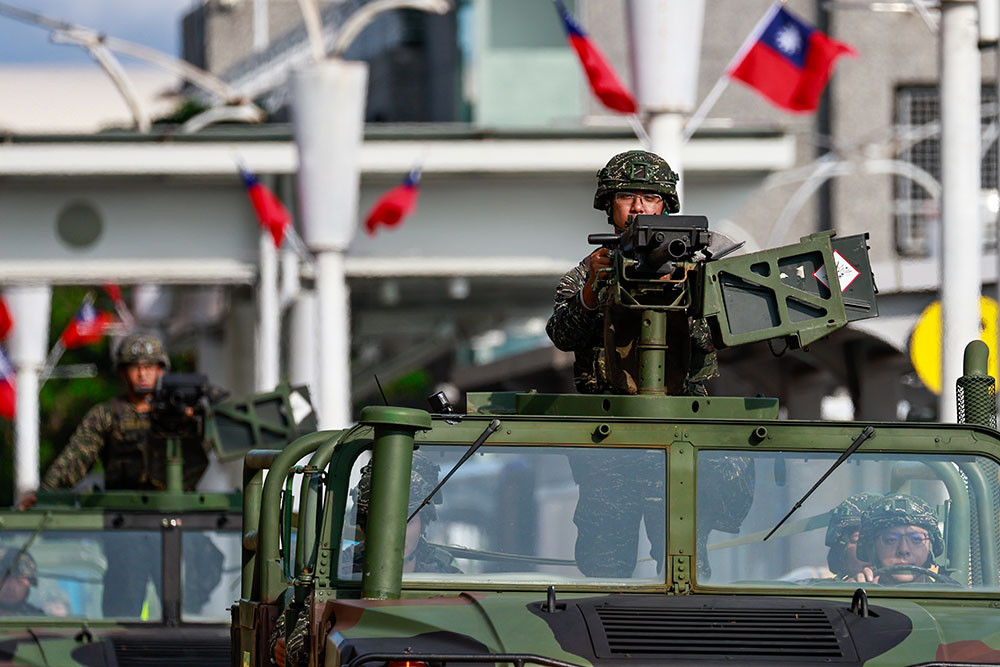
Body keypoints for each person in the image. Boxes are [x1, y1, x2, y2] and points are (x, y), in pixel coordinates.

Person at [545, 149, 717, 396]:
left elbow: (713, 340)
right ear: (609, 205)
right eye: (626, 196)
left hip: (682, 408)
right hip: (606, 411)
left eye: (650, 198)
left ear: (664, 206)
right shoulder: (588, 272)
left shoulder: (694, 271)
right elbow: (562, 338)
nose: (638, 208)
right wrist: (591, 292)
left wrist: (679, 291)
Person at [851, 493, 959, 586]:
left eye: (916, 539)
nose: (903, 550)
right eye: (890, 540)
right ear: (871, 549)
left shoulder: (954, 597)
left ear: (930, 548)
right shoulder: (853, 597)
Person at [824, 492, 880, 580]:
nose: (872, 553)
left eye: (889, 541)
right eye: (862, 542)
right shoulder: (821, 590)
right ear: (841, 550)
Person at [0, 548, 43, 617]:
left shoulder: (37, 618)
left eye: (19, 581)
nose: (11, 587)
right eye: (3, 580)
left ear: (28, 584)